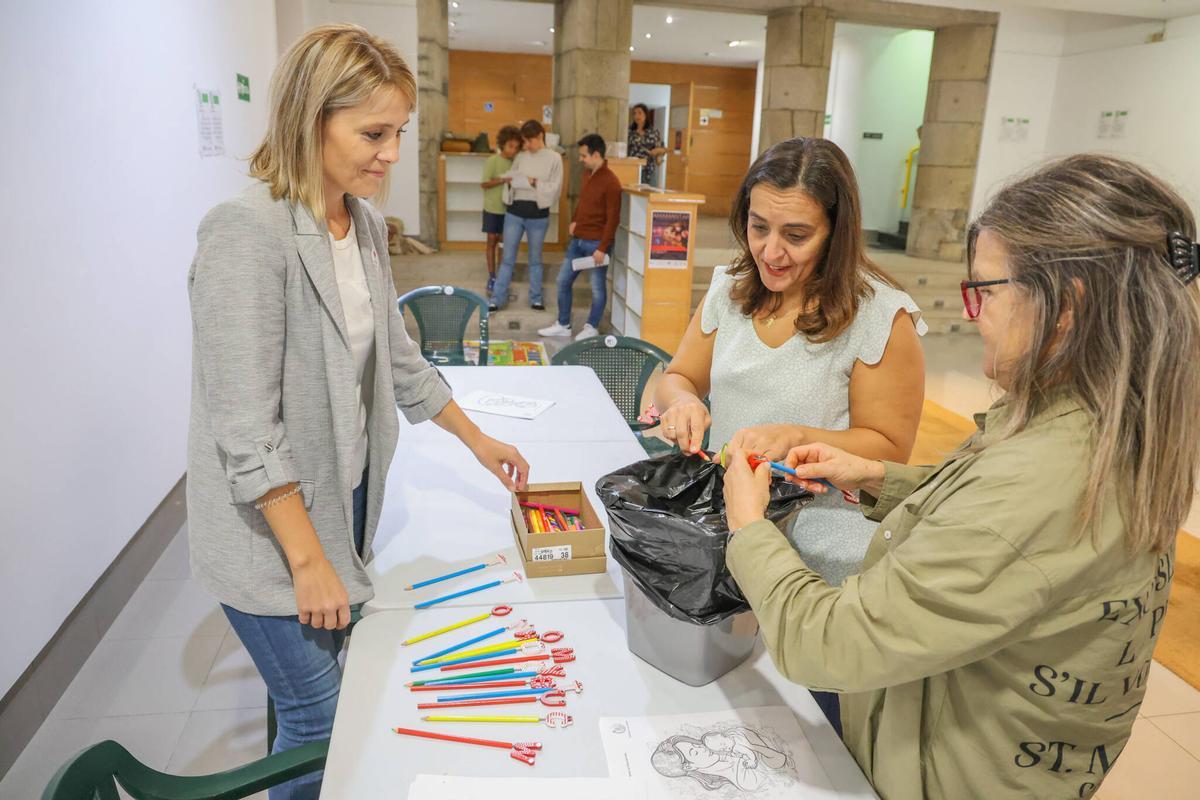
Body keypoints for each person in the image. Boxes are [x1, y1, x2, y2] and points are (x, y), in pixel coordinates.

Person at [721, 154, 1200, 800]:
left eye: (985, 291)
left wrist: (748, 526)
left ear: (1066, 310)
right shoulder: (1099, 423)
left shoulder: (1042, 484)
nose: (973, 314)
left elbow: (829, 641)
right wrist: (875, 477)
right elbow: (980, 515)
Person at [187, 25, 530, 800]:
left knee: (321, 696)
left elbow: (400, 363)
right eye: (373, 132)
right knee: (318, 715)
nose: (390, 153)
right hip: (269, 530)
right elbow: (244, 428)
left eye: (399, 133)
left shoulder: (364, 223)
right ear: (312, 118)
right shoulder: (248, 232)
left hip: (338, 502)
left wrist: (477, 439)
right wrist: (309, 562)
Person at [538, 133, 622, 341]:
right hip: (578, 240)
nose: (580, 159)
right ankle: (564, 324)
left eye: (584, 155)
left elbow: (613, 219)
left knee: (597, 287)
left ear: (596, 155)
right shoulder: (586, 174)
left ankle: (591, 326)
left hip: (596, 244)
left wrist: (602, 248)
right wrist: (575, 221)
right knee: (563, 281)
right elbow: (583, 203)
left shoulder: (612, 182)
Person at [488, 119, 563, 312]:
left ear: (540, 137)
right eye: (525, 142)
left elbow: (555, 189)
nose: (527, 146)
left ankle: (536, 299)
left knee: (535, 259)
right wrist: (512, 181)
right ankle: (496, 299)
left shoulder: (554, 158)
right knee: (507, 259)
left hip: (538, 215)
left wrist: (534, 182)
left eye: (530, 141)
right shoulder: (521, 156)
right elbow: (511, 177)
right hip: (515, 213)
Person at [479, 124, 522, 295]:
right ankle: (491, 276)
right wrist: (503, 180)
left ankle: (503, 275)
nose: (513, 150)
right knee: (491, 241)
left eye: (517, 147)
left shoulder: (517, 162)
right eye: (511, 146)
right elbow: (484, 183)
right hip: (492, 208)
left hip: (509, 210)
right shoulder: (493, 161)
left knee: (504, 244)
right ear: (502, 144)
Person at [628, 103, 667, 186]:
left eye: (639, 113)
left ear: (645, 115)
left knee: (650, 195)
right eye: (634, 113)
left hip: (649, 171)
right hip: (633, 170)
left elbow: (663, 149)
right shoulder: (630, 133)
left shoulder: (653, 132)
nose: (636, 116)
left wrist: (657, 151)